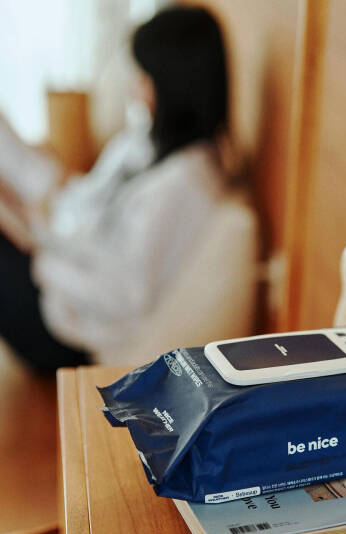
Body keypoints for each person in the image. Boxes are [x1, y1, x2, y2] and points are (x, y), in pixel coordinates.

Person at [0, 6, 229, 372]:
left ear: (174, 83)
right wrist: (42, 238)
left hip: (69, 328)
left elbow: (124, 295)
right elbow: (104, 235)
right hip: (63, 277)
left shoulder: (184, 183)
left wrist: (43, 262)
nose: (134, 89)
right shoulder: (159, 148)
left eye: (143, 77)